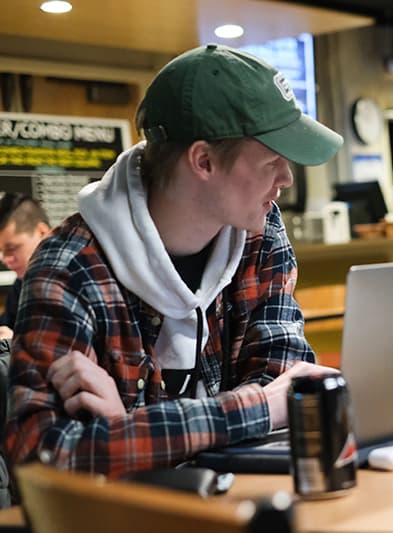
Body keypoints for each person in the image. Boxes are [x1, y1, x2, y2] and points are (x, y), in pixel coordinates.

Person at [5, 43, 343, 479]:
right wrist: (253, 409)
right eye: (272, 160)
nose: (287, 178)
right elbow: (39, 459)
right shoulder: (68, 268)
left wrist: (130, 429)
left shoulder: (261, 230)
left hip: (230, 503)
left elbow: (284, 380)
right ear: (203, 161)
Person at [0, 193, 50, 339]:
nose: (5, 259)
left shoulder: (76, 279)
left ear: (42, 233)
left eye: (11, 248)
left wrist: (16, 341)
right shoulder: (21, 284)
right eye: (1, 251)